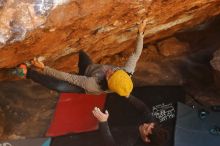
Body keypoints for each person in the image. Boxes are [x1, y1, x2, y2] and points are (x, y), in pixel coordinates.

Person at [18, 20, 147, 98]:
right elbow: (136, 54)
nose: (111, 70)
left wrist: (44, 68)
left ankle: (27, 73)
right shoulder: (127, 72)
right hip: (89, 69)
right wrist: (140, 33)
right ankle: (80, 69)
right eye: (115, 71)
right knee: (81, 54)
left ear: (108, 82)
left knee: (58, 85)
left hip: (83, 85)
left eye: (110, 75)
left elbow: (67, 77)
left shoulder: (93, 85)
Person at [92, 94, 169, 146]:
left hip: (106, 134)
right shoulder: (152, 125)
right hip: (116, 120)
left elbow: (110, 144)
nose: (145, 124)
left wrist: (103, 122)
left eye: (146, 129)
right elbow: (143, 108)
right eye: (149, 124)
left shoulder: (130, 142)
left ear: (147, 139)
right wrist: (128, 95)